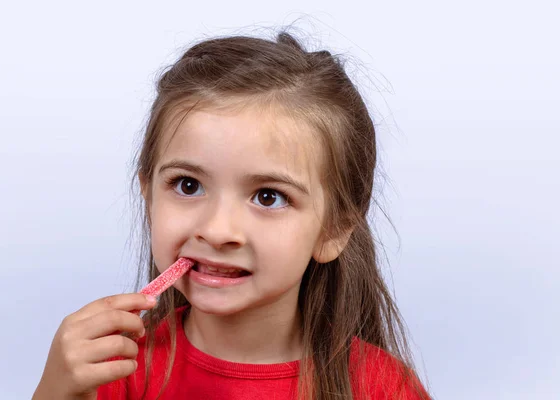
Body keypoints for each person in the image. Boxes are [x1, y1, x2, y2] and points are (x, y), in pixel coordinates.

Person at [32, 31, 430, 400]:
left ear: (334, 230)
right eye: (188, 185)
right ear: (148, 195)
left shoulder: (382, 387)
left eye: (269, 196)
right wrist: (56, 390)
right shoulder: (114, 370)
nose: (217, 230)